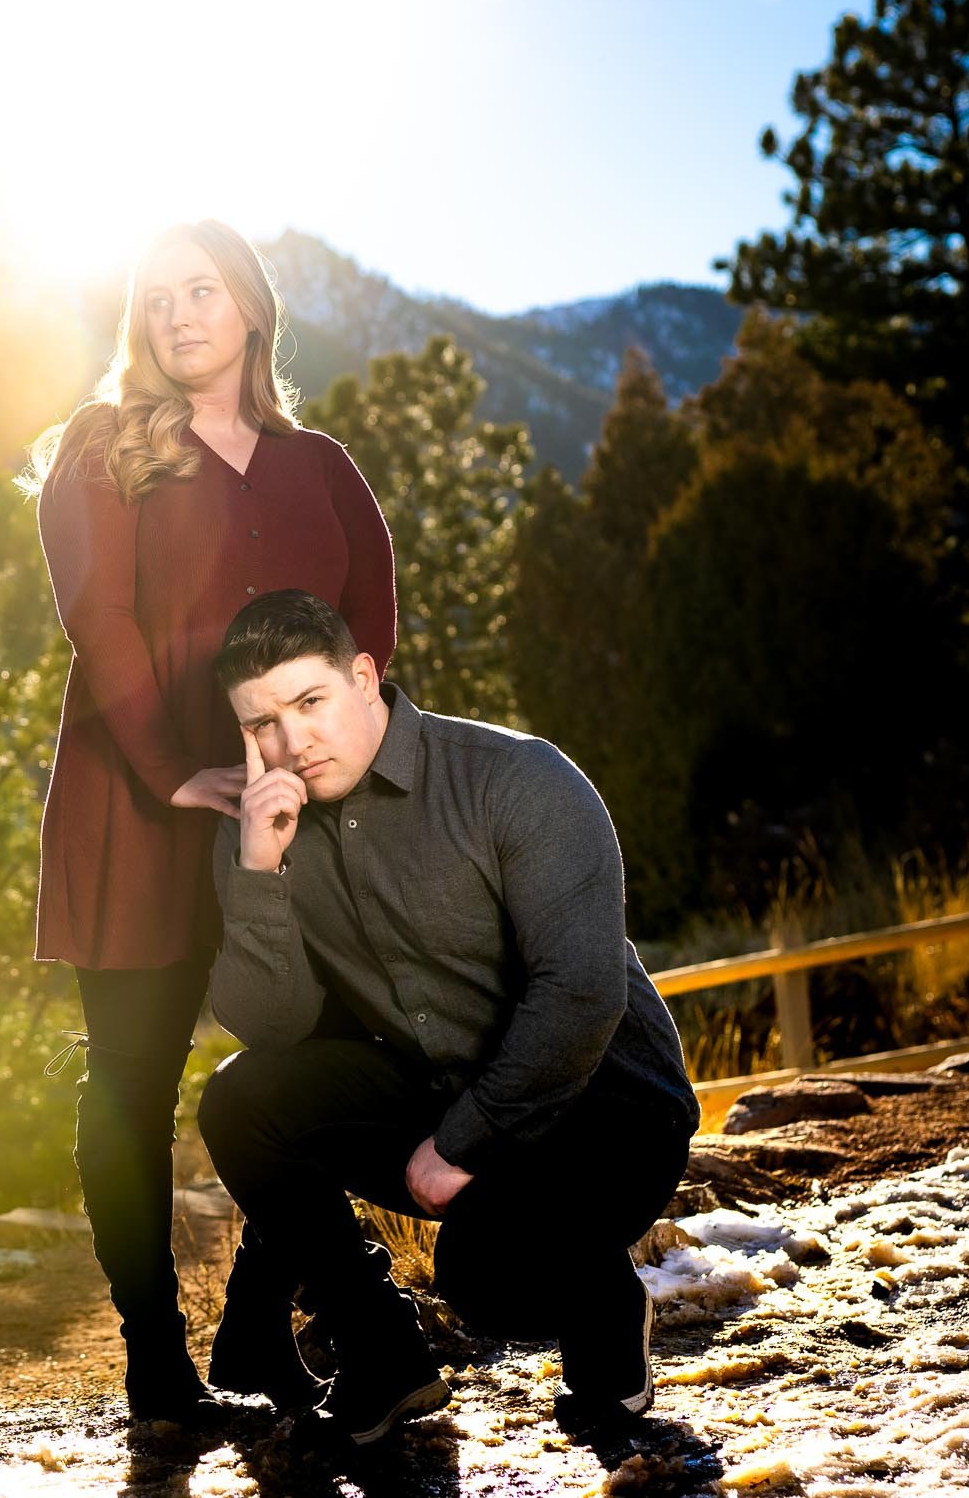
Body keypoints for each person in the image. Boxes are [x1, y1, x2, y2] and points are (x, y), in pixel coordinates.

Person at [25, 219, 398, 1424]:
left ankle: (254, 1322)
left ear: (249, 307)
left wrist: (328, 771)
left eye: (203, 289)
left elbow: (370, 632)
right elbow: (103, 615)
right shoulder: (102, 449)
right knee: (130, 1082)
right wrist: (172, 769)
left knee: (317, 1060)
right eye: (156, 296)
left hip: (294, 819)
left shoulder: (324, 467)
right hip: (140, 806)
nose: (180, 313)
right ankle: (156, 1366)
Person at [198, 588, 700, 1445]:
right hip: (444, 1089)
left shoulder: (517, 778)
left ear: (363, 677)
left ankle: (607, 1308)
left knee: (488, 1279)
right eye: (259, 725)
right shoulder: (265, 829)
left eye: (310, 702)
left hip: (606, 1113)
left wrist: (462, 1141)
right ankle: (383, 1354)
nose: (290, 742)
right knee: (241, 1102)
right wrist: (256, 871)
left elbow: (579, 995)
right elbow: (271, 1025)